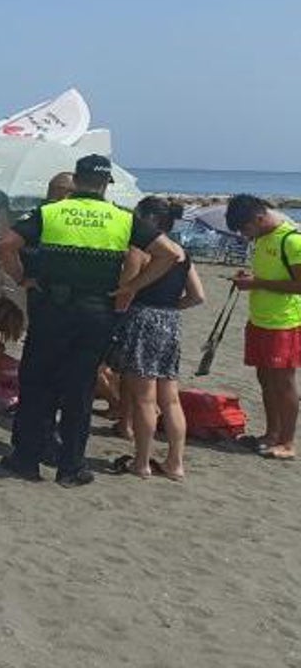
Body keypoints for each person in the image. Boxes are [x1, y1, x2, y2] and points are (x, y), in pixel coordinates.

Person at [0, 154, 184, 487]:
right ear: (106, 184)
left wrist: (23, 278)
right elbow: (169, 254)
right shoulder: (122, 218)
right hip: (96, 312)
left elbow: (6, 245)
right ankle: (71, 467)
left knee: (37, 383)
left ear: (77, 181)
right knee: (80, 389)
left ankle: (26, 460)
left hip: (51, 309)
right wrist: (131, 287)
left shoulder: (50, 212)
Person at [108, 197, 205, 480]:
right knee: (170, 399)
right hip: (170, 322)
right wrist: (171, 309)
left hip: (142, 321)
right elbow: (198, 296)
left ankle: (141, 462)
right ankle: (175, 462)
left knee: (144, 399)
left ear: (148, 219)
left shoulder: (140, 250)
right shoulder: (182, 252)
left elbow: (124, 291)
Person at [225, 194, 301, 460]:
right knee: (265, 378)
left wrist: (257, 283)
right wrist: (250, 279)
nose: (245, 235)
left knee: (284, 382)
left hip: (284, 322)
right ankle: (271, 433)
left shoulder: (291, 240)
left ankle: (288, 442)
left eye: (246, 229)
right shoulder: (262, 238)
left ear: (259, 217)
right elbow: (268, 275)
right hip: (259, 318)